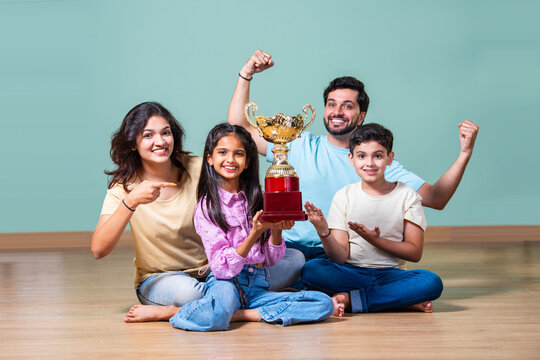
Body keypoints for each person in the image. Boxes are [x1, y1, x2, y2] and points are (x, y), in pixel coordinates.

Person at [227, 50, 479, 261]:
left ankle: (326, 293)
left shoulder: (373, 161)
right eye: (332, 104)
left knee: (340, 270)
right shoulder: (297, 143)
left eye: (347, 106)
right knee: (281, 265)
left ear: (361, 116)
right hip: (292, 251)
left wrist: (464, 154)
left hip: (343, 254)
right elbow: (239, 130)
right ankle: (330, 294)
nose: (337, 111)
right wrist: (246, 74)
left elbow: (437, 198)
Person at [166, 123, 344, 331]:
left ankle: (240, 314)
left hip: (258, 282)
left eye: (238, 154)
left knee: (322, 304)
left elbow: (270, 258)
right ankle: (177, 311)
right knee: (215, 317)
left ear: (248, 161)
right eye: (222, 152)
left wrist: (277, 229)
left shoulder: (258, 197)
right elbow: (222, 268)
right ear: (210, 158)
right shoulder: (206, 208)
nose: (230, 160)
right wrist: (254, 234)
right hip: (227, 283)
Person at [303, 123, 443, 313]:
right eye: (362, 156)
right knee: (312, 269)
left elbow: (415, 253)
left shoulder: (407, 195)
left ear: (389, 158)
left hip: (391, 275)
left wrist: (376, 241)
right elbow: (340, 257)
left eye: (377, 156)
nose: (369, 163)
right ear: (351, 159)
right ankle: (397, 300)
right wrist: (323, 231)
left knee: (431, 282)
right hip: (351, 272)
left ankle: (353, 300)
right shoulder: (344, 195)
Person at [91, 102, 210, 323]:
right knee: (192, 294)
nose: (160, 142)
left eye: (166, 133)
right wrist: (131, 202)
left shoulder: (199, 168)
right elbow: (98, 250)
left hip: (210, 272)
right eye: (148, 135)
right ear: (133, 143)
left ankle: (218, 301)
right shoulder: (123, 189)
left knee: (292, 261)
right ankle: (237, 304)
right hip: (161, 280)